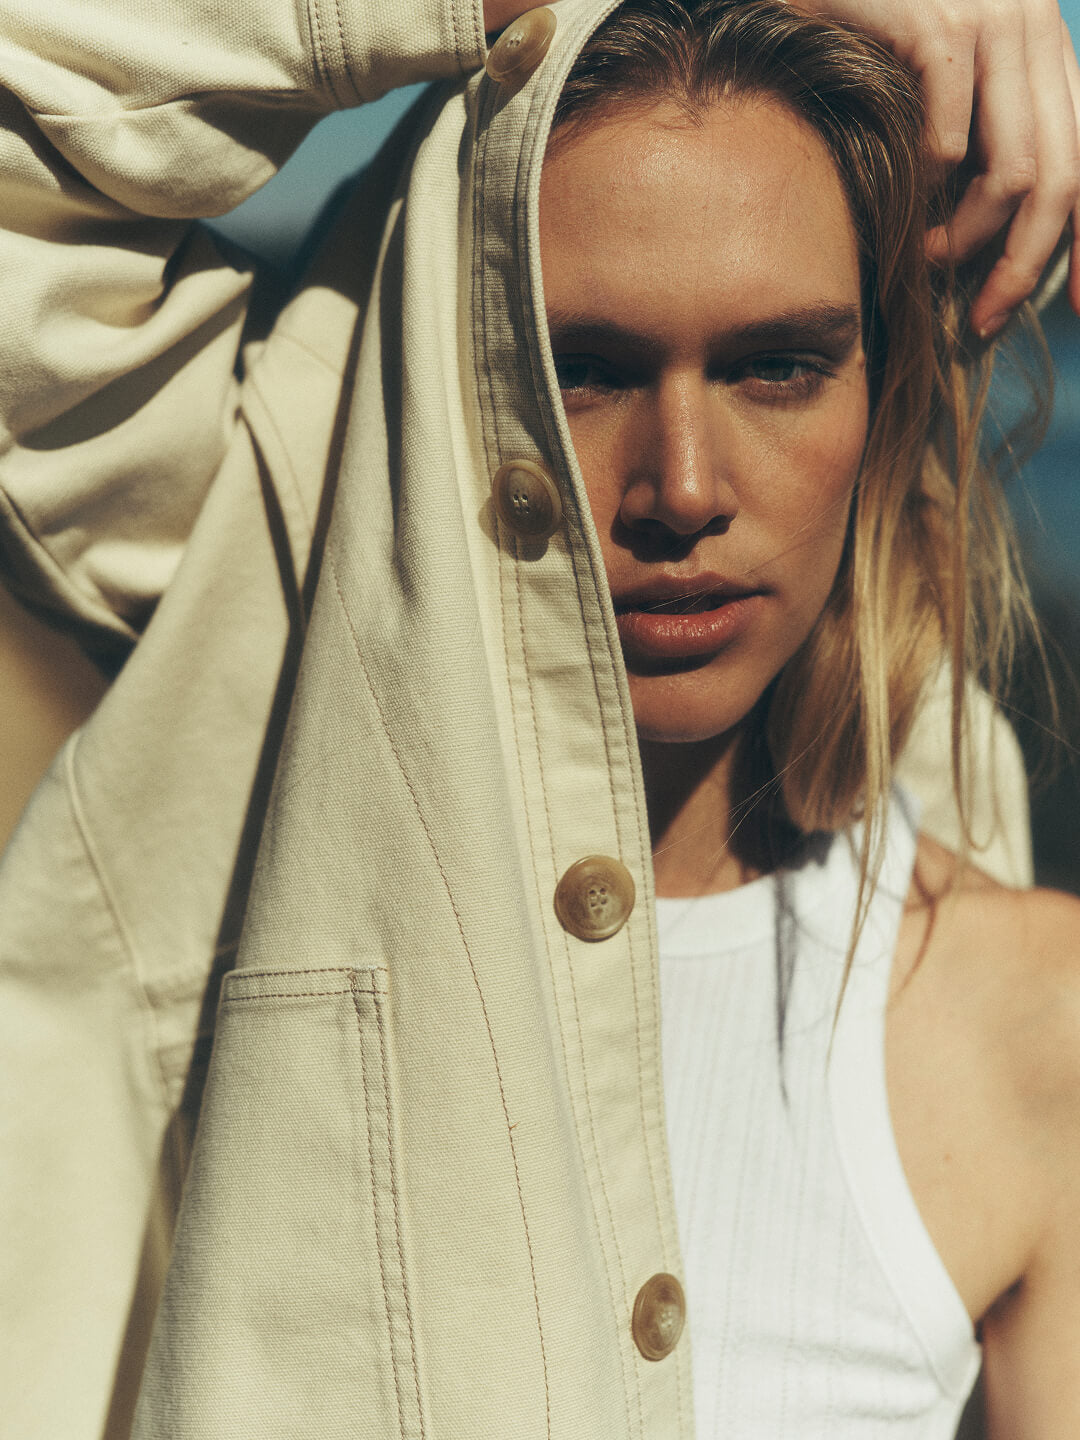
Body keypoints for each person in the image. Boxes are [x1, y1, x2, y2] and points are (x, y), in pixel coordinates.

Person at [0, 0, 1076, 1437]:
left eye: (778, 364)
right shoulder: (246, 625)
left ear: (884, 397)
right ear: (466, 379)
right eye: (584, 367)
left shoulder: (1030, 1021)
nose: (684, 486)